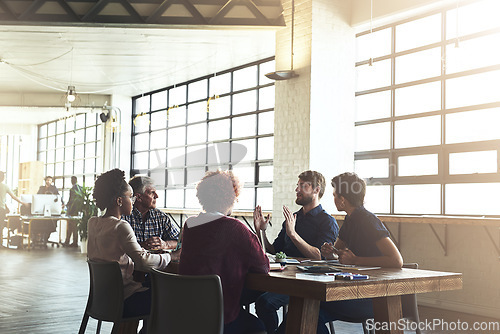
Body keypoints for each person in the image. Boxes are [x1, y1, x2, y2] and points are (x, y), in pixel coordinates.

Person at [277, 172, 403, 334]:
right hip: (353, 290)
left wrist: (356, 259)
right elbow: (336, 253)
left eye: (335, 195)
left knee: (306, 308)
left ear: (343, 199)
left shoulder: (368, 220)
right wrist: (331, 252)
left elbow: (396, 260)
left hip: (370, 296)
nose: (334, 199)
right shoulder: (350, 220)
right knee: (303, 312)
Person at [88, 169, 178, 334]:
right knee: (168, 297)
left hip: (103, 299)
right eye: (131, 197)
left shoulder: (92, 223)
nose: (133, 200)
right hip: (123, 299)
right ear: (120, 201)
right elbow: (142, 261)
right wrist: (170, 256)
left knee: (152, 289)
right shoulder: (121, 226)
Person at [179, 170, 270, 334]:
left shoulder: (190, 224)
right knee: (259, 328)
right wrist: (259, 232)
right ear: (231, 198)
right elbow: (263, 268)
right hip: (222, 318)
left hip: (187, 313)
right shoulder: (237, 228)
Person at [253, 170, 339, 334]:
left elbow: (320, 256)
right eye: (297, 185)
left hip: (307, 283)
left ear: (316, 190)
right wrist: (261, 231)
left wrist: (293, 234)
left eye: (302, 186)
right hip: (282, 278)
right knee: (259, 299)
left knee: (265, 302)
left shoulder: (327, 221)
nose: (297, 189)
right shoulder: (292, 218)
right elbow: (273, 250)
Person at [122, 175, 179, 250]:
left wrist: (165, 244)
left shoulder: (161, 217)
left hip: (157, 261)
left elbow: (179, 241)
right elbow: (114, 246)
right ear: (138, 197)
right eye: (152, 193)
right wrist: (139, 246)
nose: (157, 196)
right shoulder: (122, 217)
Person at [1, 171, 28, 245]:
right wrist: (23, 203)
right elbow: (13, 197)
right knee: (1, 226)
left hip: (2, 208)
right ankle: (0, 243)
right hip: (1, 209)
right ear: (3, 178)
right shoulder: (5, 186)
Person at [64, 176, 82, 247]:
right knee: (74, 227)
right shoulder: (81, 188)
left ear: (73, 181)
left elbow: (71, 200)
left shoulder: (72, 189)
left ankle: (68, 241)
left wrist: (66, 205)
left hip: (72, 210)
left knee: (70, 226)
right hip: (78, 210)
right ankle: (73, 242)